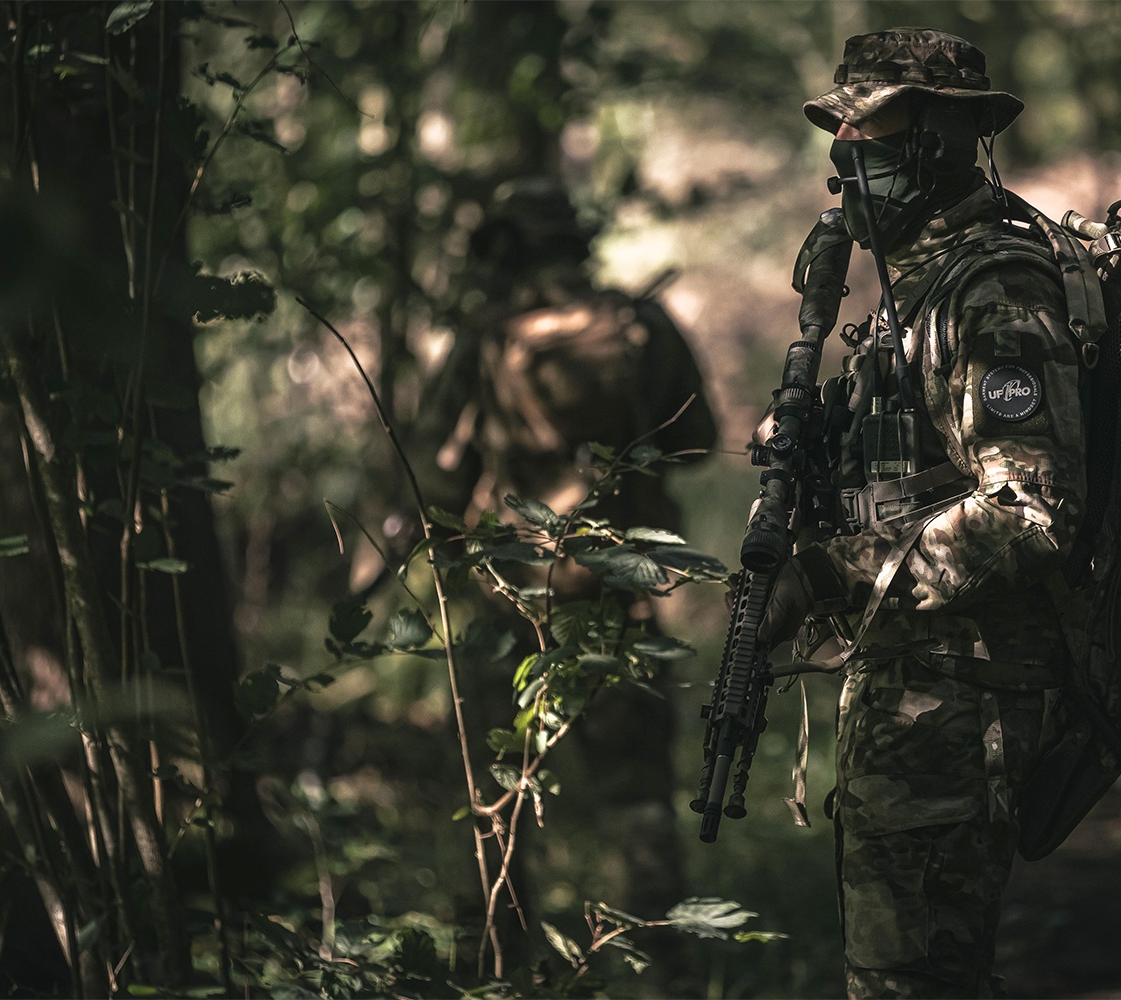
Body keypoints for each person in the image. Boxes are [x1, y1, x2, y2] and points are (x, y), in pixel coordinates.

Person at [757, 28, 1086, 998]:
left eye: (871, 132)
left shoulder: (996, 292)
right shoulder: (919, 292)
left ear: (943, 138)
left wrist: (831, 572)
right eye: (840, 134)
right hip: (918, 691)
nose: (845, 159)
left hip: (962, 700)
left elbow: (1029, 507)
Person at [418, 177, 719, 945]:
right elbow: (701, 440)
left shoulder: (488, 334)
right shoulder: (640, 323)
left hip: (508, 599)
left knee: (499, 794)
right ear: (577, 242)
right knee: (636, 798)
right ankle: (660, 970)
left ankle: (498, 964)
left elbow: (435, 471)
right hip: (621, 592)